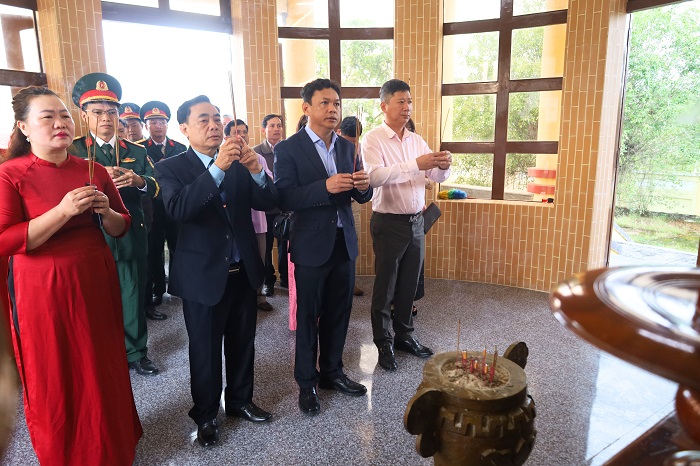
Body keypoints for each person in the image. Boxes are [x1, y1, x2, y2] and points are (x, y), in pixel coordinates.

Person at [0, 86, 141, 465]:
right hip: (42, 288)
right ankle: (66, 452)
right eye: (47, 117)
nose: (60, 123)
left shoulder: (91, 169)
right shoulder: (10, 174)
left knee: (101, 361)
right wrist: (62, 211)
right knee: (56, 368)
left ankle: (111, 445)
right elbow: (5, 239)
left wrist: (105, 211)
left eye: (64, 115)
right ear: (24, 127)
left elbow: (122, 226)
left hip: (94, 279)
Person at [154, 95, 277, 447]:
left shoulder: (239, 163)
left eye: (217, 118)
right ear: (184, 128)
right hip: (202, 276)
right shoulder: (170, 167)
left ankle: (240, 401)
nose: (213, 125)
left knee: (243, 343)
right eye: (203, 119)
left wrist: (256, 171)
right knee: (205, 350)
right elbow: (179, 209)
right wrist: (218, 168)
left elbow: (270, 202)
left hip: (242, 270)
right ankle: (206, 414)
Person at [274, 79, 373, 415]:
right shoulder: (289, 149)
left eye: (336, 104)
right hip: (311, 245)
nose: (333, 109)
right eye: (325, 103)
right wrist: (324, 187)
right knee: (308, 317)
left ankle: (332, 372)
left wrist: (364, 186)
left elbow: (360, 193)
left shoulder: (347, 147)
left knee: (339, 313)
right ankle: (307, 382)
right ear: (306, 108)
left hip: (344, 243)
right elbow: (284, 197)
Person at [69, 72, 161, 377]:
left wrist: (138, 180)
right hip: (89, 234)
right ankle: (102, 351)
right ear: (84, 115)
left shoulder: (136, 150)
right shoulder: (74, 151)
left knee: (133, 293)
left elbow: (156, 185)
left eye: (111, 111)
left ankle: (136, 352)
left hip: (129, 230)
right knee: (94, 296)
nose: (106, 118)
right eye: (97, 112)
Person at [362, 79, 452, 372]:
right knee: (385, 287)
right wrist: (416, 164)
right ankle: (383, 342)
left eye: (409, 101)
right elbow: (375, 177)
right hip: (388, 223)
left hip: (416, 222)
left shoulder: (416, 140)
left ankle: (404, 335)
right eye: (401, 101)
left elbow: (435, 177)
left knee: (409, 285)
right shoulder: (373, 139)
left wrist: (443, 165)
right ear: (384, 106)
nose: (407, 107)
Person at [140, 101, 188, 320]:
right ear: (146, 125)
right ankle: (157, 290)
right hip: (153, 208)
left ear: (167, 124)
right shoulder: (140, 148)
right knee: (154, 250)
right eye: (153, 122)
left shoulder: (179, 148)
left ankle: (180, 286)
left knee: (180, 247)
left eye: (161, 121)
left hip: (176, 206)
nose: (158, 125)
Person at [224, 118, 273, 312]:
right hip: (235, 222)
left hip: (257, 220)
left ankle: (259, 296)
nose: (242, 135)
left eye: (244, 132)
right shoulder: (223, 159)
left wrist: (255, 169)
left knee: (259, 258)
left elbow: (270, 183)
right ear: (227, 137)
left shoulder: (256, 157)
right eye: (237, 132)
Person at [252, 114, 286, 296]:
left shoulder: (288, 149)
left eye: (279, 125)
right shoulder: (255, 152)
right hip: (265, 209)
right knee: (265, 250)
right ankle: (269, 281)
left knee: (285, 246)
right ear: (264, 129)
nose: (276, 129)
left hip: (285, 207)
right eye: (272, 126)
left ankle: (286, 278)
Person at [337, 116, 366, 297]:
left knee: (352, 242)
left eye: (354, 142)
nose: (351, 145)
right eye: (348, 141)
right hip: (334, 203)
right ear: (339, 132)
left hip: (352, 204)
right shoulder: (333, 147)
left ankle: (350, 280)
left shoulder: (360, 150)